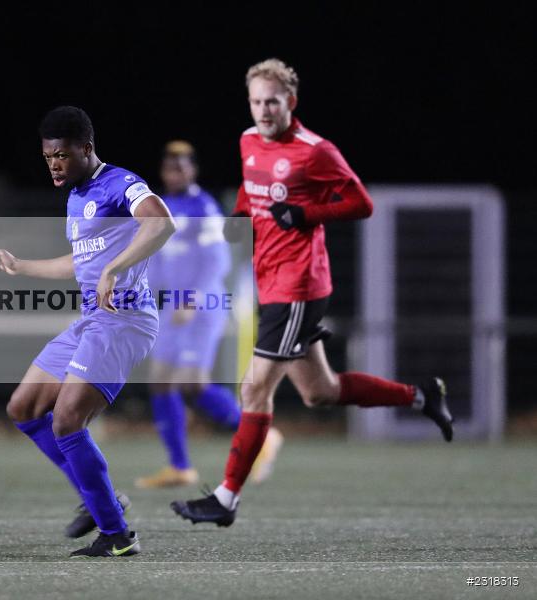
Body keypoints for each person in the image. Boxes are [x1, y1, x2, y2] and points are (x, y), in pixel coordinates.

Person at [172, 58, 453, 527]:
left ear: (291, 103)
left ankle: (225, 499)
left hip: (299, 284)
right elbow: (251, 188)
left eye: (273, 102)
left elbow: (361, 202)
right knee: (322, 392)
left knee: (253, 388)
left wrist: (306, 214)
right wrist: (240, 216)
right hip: (271, 280)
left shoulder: (314, 150)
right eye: (257, 102)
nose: (264, 110)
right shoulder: (247, 140)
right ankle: (422, 396)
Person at [0, 106, 175, 557]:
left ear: (86, 149)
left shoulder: (118, 183)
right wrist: (20, 265)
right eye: (48, 156)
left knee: (67, 419)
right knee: (24, 408)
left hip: (124, 320)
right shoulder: (74, 196)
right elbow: (80, 263)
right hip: (91, 319)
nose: (53, 163)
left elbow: (161, 222)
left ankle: (117, 534)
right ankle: (101, 501)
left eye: (62, 155)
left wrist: (116, 267)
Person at [136, 141, 282, 489]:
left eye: (183, 166)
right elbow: (156, 261)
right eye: (171, 167)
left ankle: (263, 436)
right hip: (174, 308)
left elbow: (217, 259)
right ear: (164, 171)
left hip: (200, 307)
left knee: (192, 383)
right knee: (161, 380)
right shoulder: (163, 207)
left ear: (193, 170)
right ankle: (180, 466)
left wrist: (191, 297)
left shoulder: (204, 206)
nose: (177, 172)